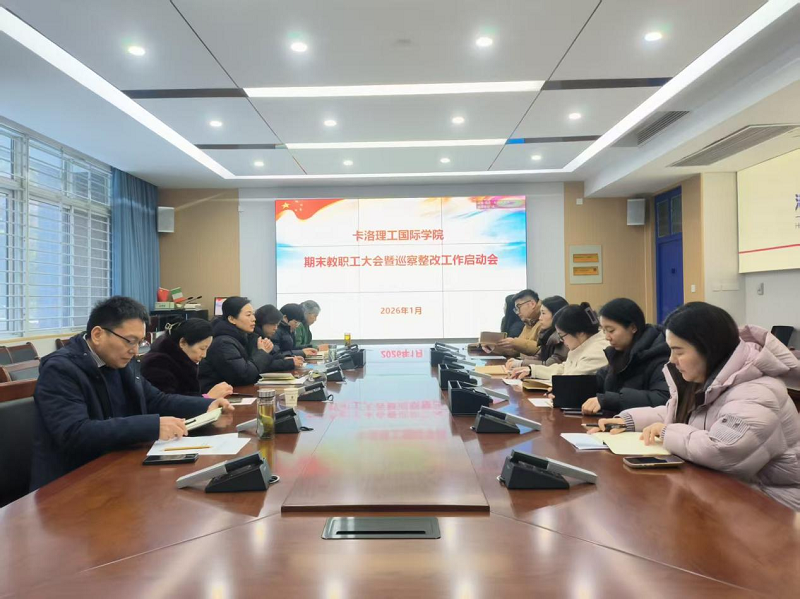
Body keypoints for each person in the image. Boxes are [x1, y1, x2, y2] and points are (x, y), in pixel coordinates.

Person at [594, 302, 800, 511]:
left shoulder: (757, 393)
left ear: (708, 350)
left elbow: (722, 451)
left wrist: (666, 431)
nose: (672, 360)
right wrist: (629, 420)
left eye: (678, 351)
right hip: (731, 494)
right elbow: (680, 414)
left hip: (776, 506)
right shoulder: (708, 379)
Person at [31, 296, 233, 490]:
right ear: (98, 334)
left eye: (140, 342)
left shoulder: (119, 362)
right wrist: (151, 426)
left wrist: (206, 405)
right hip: (70, 483)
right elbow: (75, 433)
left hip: (117, 468)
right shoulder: (61, 370)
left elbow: (156, 400)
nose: (135, 351)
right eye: (129, 341)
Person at [582, 297, 670, 415]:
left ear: (633, 327)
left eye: (611, 330)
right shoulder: (619, 353)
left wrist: (610, 400)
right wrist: (568, 389)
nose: (607, 337)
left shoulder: (660, 355)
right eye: (604, 331)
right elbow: (600, 380)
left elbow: (662, 398)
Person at [510, 302, 610, 381]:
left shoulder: (597, 352)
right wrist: (532, 370)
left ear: (580, 333)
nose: (562, 341)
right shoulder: (583, 345)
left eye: (562, 336)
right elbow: (564, 368)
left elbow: (571, 379)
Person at [198, 296, 279, 392]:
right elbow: (243, 376)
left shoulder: (244, 337)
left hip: (236, 392)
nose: (254, 319)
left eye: (253, 314)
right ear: (232, 319)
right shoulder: (223, 343)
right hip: (217, 397)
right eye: (248, 315)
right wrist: (262, 353)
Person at [141, 319, 233, 398]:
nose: (204, 355)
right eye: (202, 348)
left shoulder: (181, 360)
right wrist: (207, 397)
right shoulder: (157, 364)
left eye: (206, 349)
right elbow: (166, 403)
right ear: (183, 342)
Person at [506, 295, 569, 371]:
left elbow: (550, 364)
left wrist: (521, 363)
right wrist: (519, 361)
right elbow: (539, 357)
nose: (540, 318)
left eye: (543, 313)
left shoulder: (562, 337)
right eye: (540, 313)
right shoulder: (547, 334)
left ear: (556, 315)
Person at [254, 304, 304, 372]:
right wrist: (289, 363)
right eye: (273, 324)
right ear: (263, 321)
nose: (275, 328)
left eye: (277, 325)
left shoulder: (264, 336)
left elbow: (273, 356)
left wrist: (285, 358)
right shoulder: (255, 338)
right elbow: (262, 365)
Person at [494, 289, 542, 357]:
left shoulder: (544, 321)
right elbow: (516, 351)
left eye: (518, 307)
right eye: (516, 309)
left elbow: (541, 348)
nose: (517, 312)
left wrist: (514, 342)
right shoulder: (528, 324)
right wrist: (493, 347)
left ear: (532, 304)